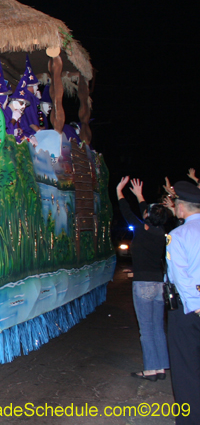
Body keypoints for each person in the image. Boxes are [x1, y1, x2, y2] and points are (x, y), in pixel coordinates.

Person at [116, 177, 170, 381]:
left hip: (143, 285)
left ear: (147, 217)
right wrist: (140, 196)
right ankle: (160, 367)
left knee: (146, 329)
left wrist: (119, 190)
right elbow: (148, 214)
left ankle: (150, 370)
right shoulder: (160, 232)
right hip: (159, 283)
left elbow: (126, 210)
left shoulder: (141, 229)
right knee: (157, 327)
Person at [165, 181, 200, 423]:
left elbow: (179, 275)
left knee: (186, 368)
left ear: (180, 208)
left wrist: (196, 305)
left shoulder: (178, 235)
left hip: (188, 310)